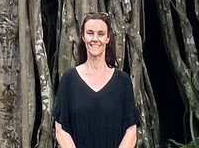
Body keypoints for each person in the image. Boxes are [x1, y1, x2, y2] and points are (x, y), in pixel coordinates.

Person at [53, 12, 140, 148]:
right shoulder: (69, 80)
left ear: (107, 38)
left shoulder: (123, 82)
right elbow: (60, 129)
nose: (95, 39)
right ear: (83, 37)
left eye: (100, 34)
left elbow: (131, 131)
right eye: (90, 33)